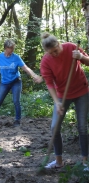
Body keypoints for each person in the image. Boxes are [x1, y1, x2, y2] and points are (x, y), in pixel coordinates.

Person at [40, 32, 89, 169]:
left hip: (81, 92)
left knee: (82, 127)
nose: (54, 54)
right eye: (51, 53)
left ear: (59, 44)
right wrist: (57, 102)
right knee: (54, 126)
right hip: (62, 94)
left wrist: (81, 57)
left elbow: (88, 62)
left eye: (56, 50)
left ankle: (85, 162)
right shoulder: (45, 61)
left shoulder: (71, 48)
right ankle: (58, 161)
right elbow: (49, 84)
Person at [0, 39, 43, 127]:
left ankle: (17, 120)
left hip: (16, 81)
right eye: (11, 48)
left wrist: (34, 75)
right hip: (4, 83)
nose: (12, 50)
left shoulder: (16, 57)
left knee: (16, 101)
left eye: (13, 48)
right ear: (6, 48)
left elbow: (25, 68)